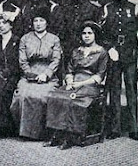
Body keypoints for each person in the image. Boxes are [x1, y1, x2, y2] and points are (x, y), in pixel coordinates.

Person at [100, 0, 138, 141]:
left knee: (131, 91)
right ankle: (114, 129)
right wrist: (109, 48)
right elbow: (101, 34)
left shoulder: (135, 9)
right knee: (114, 91)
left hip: (130, 57)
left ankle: (133, 129)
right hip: (114, 56)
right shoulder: (107, 8)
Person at [45, 21, 109, 149]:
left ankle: (69, 136)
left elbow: (99, 76)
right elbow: (69, 70)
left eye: (90, 33)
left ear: (95, 35)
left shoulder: (101, 52)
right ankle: (57, 134)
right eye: (84, 33)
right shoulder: (76, 51)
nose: (87, 36)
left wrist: (80, 83)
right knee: (55, 96)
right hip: (74, 83)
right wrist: (69, 82)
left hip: (90, 85)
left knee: (72, 99)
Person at [10, 8, 62, 140]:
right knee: (22, 95)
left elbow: (56, 60)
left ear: (47, 23)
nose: (38, 24)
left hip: (48, 74)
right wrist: (29, 74)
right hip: (29, 73)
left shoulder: (54, 39)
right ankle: (24, 132)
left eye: (41, 20)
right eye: (35, 21)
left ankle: (41, 133)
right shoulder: (25, 38)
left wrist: (46, 74)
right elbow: (22, 60)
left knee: (41, 96)